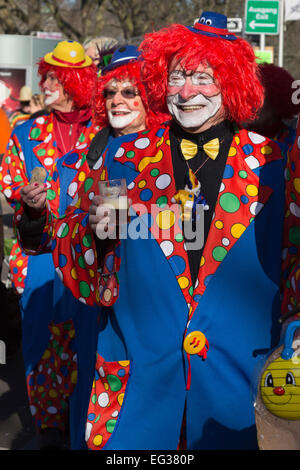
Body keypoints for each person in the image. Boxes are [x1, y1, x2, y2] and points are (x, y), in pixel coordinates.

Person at [49, 12, 299, 450]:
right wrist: (96, 237)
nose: (186, 92)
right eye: (177, 77)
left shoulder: (273, 164)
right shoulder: (126, 158)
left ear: (232, 83)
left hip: (235, 391)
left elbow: (294, 257)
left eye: (202, 78)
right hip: (138, 389)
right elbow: (82, 266)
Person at [14, 44, 167, 450]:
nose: (117, 100)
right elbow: (48, 237)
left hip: (158, 316)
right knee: (94, 415)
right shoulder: (78, 164)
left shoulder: (177, 159)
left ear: (150, 98)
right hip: (95, 316)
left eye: (129, 92)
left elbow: (197, 233)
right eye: (110, 92)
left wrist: (138, 222)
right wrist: (34, 214)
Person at [0, 39, 99, 449]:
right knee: (41, 338)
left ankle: (85, 417)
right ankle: (48, 421)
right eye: (49, 77)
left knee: (86, 336)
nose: (50, 85)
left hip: (91, 256)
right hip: (38, 253)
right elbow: (9, 181)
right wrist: (26, 197)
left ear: (77, 83)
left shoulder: (105, 130)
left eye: (58, 79)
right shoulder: (28, 129)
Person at [245, 62, 300, 147]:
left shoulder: (293, 142)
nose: (250, 104)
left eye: (258, 98)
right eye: (248, 96)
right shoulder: (233, 137)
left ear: (276, 103)